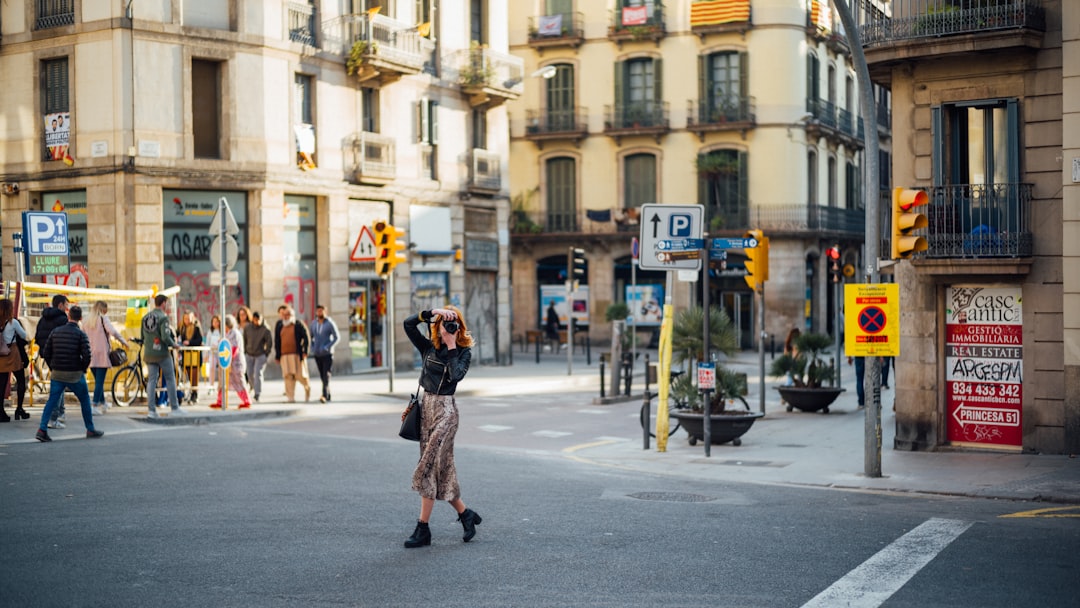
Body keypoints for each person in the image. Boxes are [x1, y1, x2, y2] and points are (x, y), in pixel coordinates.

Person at [402, 305, 480, 548]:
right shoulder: (427, 347)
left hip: (446, 412)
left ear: (459, 327)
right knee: (442, 469)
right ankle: (466, 515)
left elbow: (456, 376)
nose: (448, 326)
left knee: (427, 465)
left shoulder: (463, 351)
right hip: (426, 410)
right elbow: (407, 324)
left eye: (453, 323)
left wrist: (452, 345)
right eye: (445, 322)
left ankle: (422, 528)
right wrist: (430, 312)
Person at [34, 305, 103, 442]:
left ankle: (42, 429)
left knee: (51, 401)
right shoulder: (81, 334)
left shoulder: (55, 331)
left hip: (57, 374)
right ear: (80, 318)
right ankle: (90, 429)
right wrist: (82, 369)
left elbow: (46, 352)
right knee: (84, 400)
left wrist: (53, 367)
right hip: (75, 374)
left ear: (68, 316)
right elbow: (87, 356)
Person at [141, 294, 185, 418]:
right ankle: (175, 408)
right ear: (163, 303)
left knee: (152, 381)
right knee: (170, 378)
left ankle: (151, 410)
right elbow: (165, 337)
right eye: (167, 303)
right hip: (162, 354)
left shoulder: (145, 318)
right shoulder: (163, 318)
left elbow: (142, 336)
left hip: (149, 354)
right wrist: (174, 345)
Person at [85, 301, 129, 415]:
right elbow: (113, 332)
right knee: (99, 382)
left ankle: (103, 403)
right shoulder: (103, 319)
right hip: (102, 354)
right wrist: (124, 342)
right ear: (103, 309)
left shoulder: (86, 321)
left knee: (98, 380)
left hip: (90, 354)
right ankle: (94, 405)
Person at [35, 294, 70, 428]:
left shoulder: (43, 318)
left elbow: (37, 337)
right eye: (66, 305)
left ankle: (60, 413)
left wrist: (45, 349)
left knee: (59, 383)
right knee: (59, 385)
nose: (67, 308)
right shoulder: (62, 318)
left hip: (47, 355)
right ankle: (55, 416)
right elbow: (64, 338)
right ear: (60, 305)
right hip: (59, 356)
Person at [0, 299, 30, 422]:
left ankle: (1, 412)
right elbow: (24, 335)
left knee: (1, 384)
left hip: (1, 355)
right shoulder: (13, 323)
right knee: (21, 380)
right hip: (12, 353)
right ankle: (19, 409)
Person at [274, 305, 311, 403]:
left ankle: (307, 389)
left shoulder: (298, 324)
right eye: (284, 315)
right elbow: (277, 341)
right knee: (288, 377)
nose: (286, 316)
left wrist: (305, 351)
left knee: (300, 376)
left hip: (296, 355)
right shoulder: (279, 325)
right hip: (284, 355)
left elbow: (306, 337)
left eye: (288, 314)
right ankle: (290, 397)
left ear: (293, 315)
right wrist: (277, 355)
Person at [213, 315, 251, 408]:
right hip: (227, 363)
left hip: (235, 362)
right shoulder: (226, 333)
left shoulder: (234, 333)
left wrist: (228, 359)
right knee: (223, 381)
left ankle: (247, 400)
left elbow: (234, 348)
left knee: (239, 381)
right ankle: (220, 401)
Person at [309, 304, 340, 403]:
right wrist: (312, 347)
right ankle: (328, 393)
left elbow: (336, 337)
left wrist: (328, 346)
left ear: (325, 311)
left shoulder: (330, 323)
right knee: (322, 375)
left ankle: (324, 395)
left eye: (321, 311)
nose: (319, 313)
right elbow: (310, 337)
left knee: (326, 374)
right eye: (318, 311)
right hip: (317, 353)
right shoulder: (314, 324)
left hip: (327, 354)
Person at [243, 311, 272, 402]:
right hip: (249, 353)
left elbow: (269, 342)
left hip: (260, 354)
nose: (256, 322)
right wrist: (245, 351)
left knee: (257, 373)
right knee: (249, 373)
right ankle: (252, 385)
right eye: (255, 320)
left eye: (258, 320)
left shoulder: (265, 329)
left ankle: (257, 393)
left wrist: (266, 353)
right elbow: (244, 339)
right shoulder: (248, 328)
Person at [178, 310, 204, 403]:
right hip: (186, 355)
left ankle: (194, 394)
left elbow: (200, 339)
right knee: (188, 375)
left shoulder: (196, 327)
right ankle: (190, 393)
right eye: (185, 318)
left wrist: (189, 342)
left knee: (194, 376)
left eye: (188, 318)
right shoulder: (181, 327)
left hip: (195, 355)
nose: (187, 320)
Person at [205, 315, 222, 399]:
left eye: (217, 321)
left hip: (220, 352)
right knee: (211, 368)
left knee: (220, 370)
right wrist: (206, 354)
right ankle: (211, 386)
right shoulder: (210, 331)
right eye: (214, 321)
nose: (215, 323)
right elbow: (207, 343)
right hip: (212, 352)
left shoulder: (222, 331)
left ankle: (220, 385)